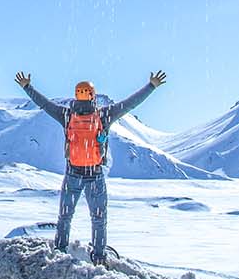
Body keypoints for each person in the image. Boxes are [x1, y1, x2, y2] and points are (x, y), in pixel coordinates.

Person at [14, 69, 167, 266]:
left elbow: (44, 104)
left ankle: (60, 252)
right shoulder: (104, 115)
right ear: (93, 96)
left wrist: (27, 87)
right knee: (98, 218)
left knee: (65, 216)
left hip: (73, 174)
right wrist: (151, 86)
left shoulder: (67, 115)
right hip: (94, 174)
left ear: (76, 95)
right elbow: (130, 103)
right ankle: (99, 257)